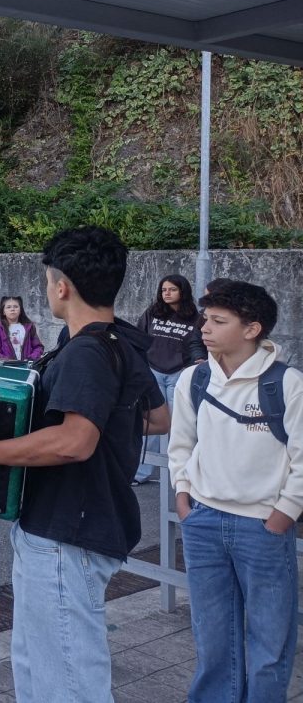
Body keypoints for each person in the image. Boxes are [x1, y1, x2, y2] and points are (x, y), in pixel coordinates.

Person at [0, 226, 169, 703]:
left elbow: (75, 441)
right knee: (40, 664)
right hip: (78, 526)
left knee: (65, 681)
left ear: (61, 287)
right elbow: (158, 417)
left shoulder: (85, 351)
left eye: (47, 282)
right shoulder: (119, 341)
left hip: (68, 533)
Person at [168, 281, 302, 702]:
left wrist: (282, 514)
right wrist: (183, 495)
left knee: (270, 642)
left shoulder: (287, 383)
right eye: (205, 319)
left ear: (251, 329)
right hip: (203, 522)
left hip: (262, 528)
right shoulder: (194, 378)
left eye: (218, 321)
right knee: (212, 640)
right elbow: (180, 445)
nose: (204, 328)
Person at [132, 274, 206, 484]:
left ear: (183, 291)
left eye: (172, 289)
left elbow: (197, 344)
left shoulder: (195, 317)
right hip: (153, 373)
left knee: (179, 426)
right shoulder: (152, 313)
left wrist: (192, 366)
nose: (167, 293)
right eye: (164, 290)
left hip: (178, 374)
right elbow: (138, 337)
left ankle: (182, 475)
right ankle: (140, 474)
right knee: (153, 426)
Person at [0, 296, 44, 361]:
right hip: (6, 365)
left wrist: (31, 358)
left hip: (26, 365)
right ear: (3, 312)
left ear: (20, 310)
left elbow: (38, 347)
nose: (12, 309)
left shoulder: (29, 327)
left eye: (16, 307)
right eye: (8, 307)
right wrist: (9, 362)